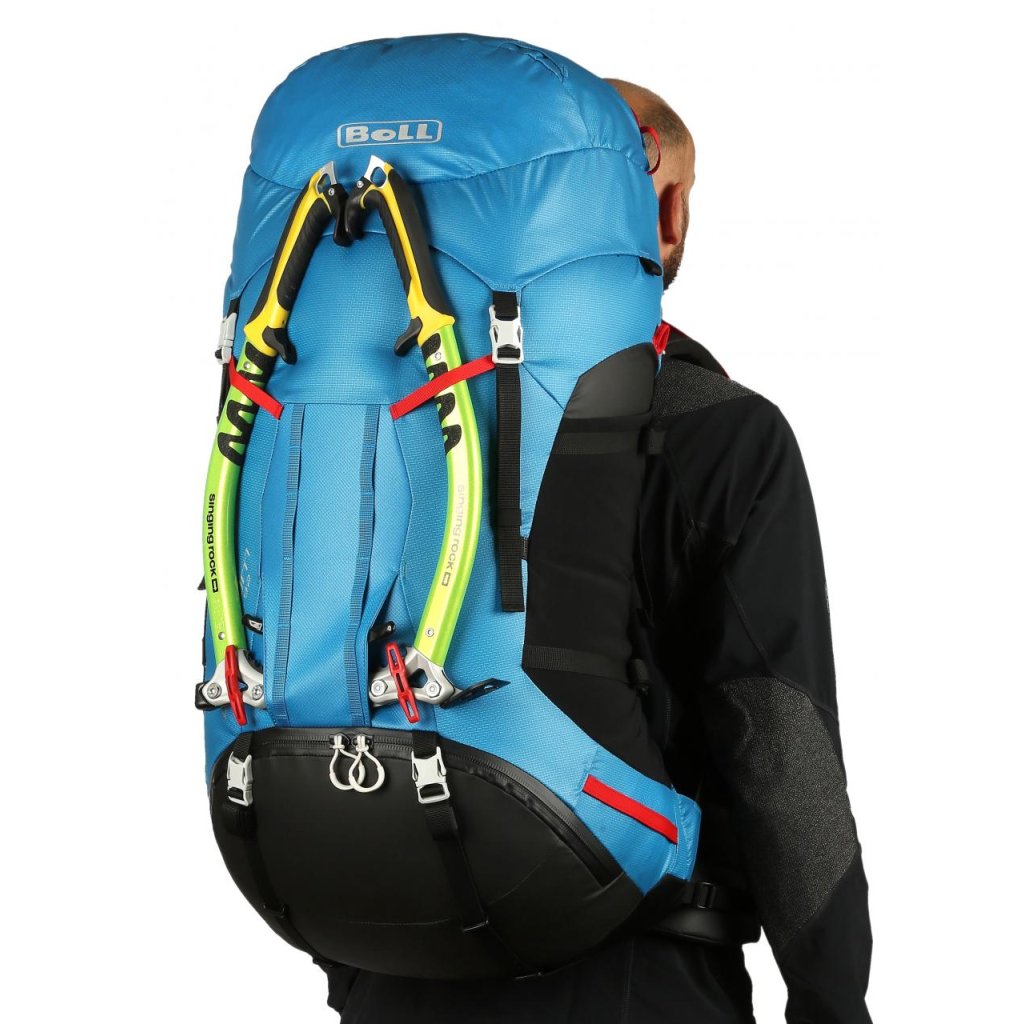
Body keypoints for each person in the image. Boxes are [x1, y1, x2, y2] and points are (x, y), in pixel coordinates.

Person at [324, 80, 873, 1024]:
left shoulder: (368, 415)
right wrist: (832, 999)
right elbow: (782, 747)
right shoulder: (721, 431)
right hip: (633, 973)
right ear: (665, 207)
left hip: (390, 962)